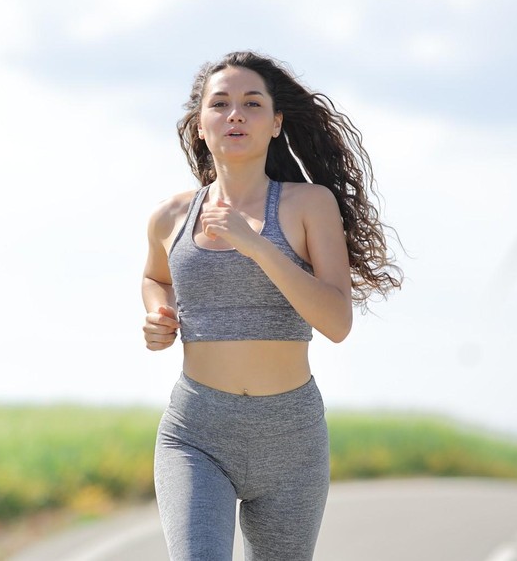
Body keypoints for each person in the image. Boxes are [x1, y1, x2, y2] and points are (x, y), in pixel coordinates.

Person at [142, 51, 402, 561]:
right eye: (220, 104)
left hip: (291, 439)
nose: (235, 114)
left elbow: (336, 322)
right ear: (200, 125)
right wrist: (159, 314)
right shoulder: (170, 216)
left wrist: (257, 245)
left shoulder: (310, 205)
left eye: (251, 103)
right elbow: (155, 277)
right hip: (196, 432)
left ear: (275, 123)